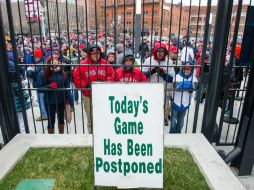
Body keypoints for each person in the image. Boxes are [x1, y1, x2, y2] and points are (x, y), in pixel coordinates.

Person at [73, 45, 114, 134]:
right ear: (89, 54)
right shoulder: (83, 64)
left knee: (104, 115)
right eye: (93, 54)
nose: (96, 55)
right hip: (88, 95)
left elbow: (112, 75)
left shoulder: (105, 63)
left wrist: (105, 82)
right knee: (90, 117)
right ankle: (91, 136)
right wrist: (85, 85)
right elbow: (76, 78)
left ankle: (103, 134)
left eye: (98, 53)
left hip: (103, 95)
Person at [142, 43, 175, 126]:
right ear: (155, 51)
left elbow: (172, 79)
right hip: (150, 88)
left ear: (165, 52)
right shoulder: (148, 60)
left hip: (163, 88)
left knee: (163, 105)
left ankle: (163, 119)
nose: (160, 53)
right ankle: (150, 118)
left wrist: (163, 74)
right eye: (158, 51)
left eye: (162, 51)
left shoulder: (169, 62)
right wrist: (150, 72)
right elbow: (142, 75)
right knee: (151, 104)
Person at [38, 56, 67, 134]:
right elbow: (39, 89)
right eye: (52, 60)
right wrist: (49, 86)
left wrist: (68, 100)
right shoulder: (43, 73)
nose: (55, 61)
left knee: (61, 119)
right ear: (48, 62)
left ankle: (61, 136)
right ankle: (51, 138)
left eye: (56, 60)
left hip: (61, 100)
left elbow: (66, 86)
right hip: (49, 101)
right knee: (51, 120)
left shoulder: (61, 71)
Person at [170, 61, 198, 133]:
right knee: (173, 121)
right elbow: (177, 87)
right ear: (182, 69)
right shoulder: (177, 76)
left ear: (191, 69)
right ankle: (172, 133)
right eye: (185, 69)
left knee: (181, 122)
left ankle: (178, 133)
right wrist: (189, 85)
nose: (187, 70)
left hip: (185, 103)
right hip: (176, 102)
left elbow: (195, 86)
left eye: (189, 69)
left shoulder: (193, 77)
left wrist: (182, 85)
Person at [26, 49, 48, 121]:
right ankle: (46, 113)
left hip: (40, 85)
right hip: (43, 85)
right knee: (43, 100)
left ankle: (44, 115)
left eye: (36, 56)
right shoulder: (42, 63)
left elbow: (33, 75)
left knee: (41, 100)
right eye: (34, 56)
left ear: (40, 56)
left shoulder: (39, 65)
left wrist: (30, 70)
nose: (35, 57)